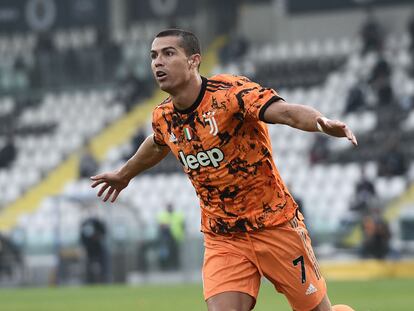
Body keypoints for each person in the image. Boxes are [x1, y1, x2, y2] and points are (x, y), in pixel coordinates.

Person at [91, 29, 357, 311]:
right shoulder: (163, 116)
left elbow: (286, 112)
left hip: (275, 226)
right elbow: (158, 144)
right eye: (154, 56)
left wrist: (320, 122)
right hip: (223, 237)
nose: (158, 62)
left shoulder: (229, 95)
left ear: (194, 61)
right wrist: (124, 174)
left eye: (169, 54)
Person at [156, 203, 185, 270]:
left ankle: (175, 267)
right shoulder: (163, 215)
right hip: (167, 239)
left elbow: (183, 225)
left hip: (176, 238)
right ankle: (166, 267)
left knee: (175, 253)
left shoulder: (178, 215)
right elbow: (161, 226)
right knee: (167, 253)